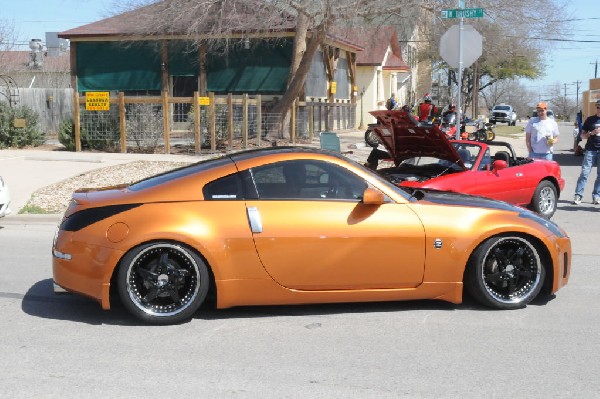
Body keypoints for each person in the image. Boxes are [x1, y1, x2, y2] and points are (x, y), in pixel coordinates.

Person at [572, 99, 600, 205]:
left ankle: (596, 196)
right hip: (590, 150)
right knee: (584, 173)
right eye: (598, 107)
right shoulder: (590, 120)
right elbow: (582, 135)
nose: (599, 109)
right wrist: (591, 133)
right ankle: (578, 195)